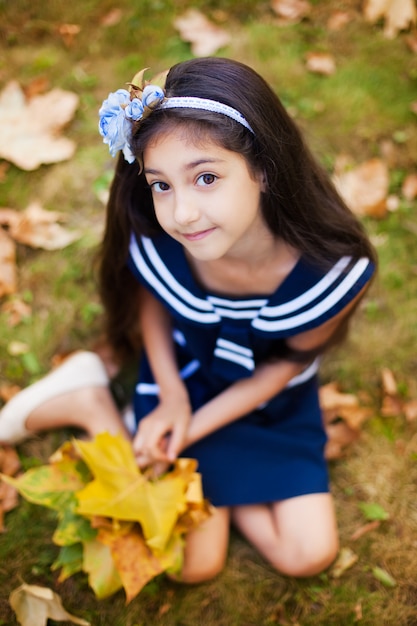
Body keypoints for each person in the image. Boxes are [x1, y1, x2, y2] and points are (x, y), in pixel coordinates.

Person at [0, 57, 376, 582]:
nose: (182, 214)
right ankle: (93, 407)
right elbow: (156, 298)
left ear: (263, 167)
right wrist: (174, 396)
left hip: (268, 400)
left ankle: (221, 475)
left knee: (307, 554)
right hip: (185, 376)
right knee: (193, 566)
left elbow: (288, 363)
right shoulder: (165, 243)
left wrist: (194, 430)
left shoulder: (330, 271)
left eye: (205, 177)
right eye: (161, 185)